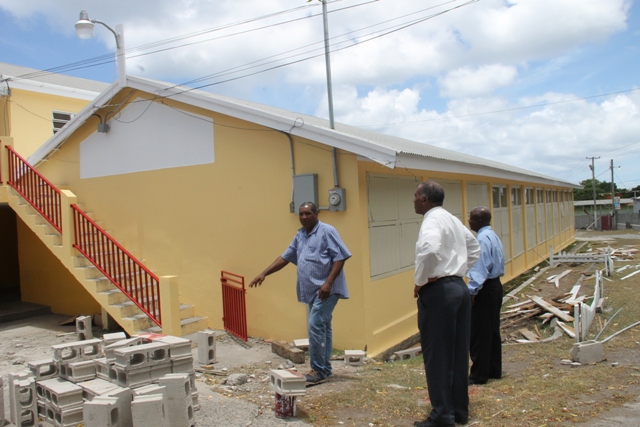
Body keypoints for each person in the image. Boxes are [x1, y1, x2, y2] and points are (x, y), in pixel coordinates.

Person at [249, 201, 351, 384]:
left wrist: (328, 283)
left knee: (315, 325)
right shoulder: (300, 235)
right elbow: (285, 257)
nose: (304, 217)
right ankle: (324, 369)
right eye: (301, 214)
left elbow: (341, 256)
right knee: (323, 327)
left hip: (327, 289)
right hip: (313, 291)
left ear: (316, 214)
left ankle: (318, 370)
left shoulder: (327, 231)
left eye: (308, 214)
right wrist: (264, 273)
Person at [412, 181, 480, 427]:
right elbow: (474, 248)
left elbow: (429, 251)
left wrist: (422, 280)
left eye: (416, 197)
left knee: (438, 356)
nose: (414, 201)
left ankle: (442, 416)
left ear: (425, 200)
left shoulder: (431, 220)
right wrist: (458, 270)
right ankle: (458, 412)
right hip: (458, 289)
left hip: (439, 292)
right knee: (458, 354)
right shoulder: (451, 219)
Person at [466, 206, 505, 385]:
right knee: (492, 330)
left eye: (472, 219)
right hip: (495, 286)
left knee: (479, 332)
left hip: (484, 288)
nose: (469, 221)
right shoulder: (493, 235)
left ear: (479, 221)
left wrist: (472, 291)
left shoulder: (481, 239)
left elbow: (480, 268)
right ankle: (494, 369)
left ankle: (479, 374)